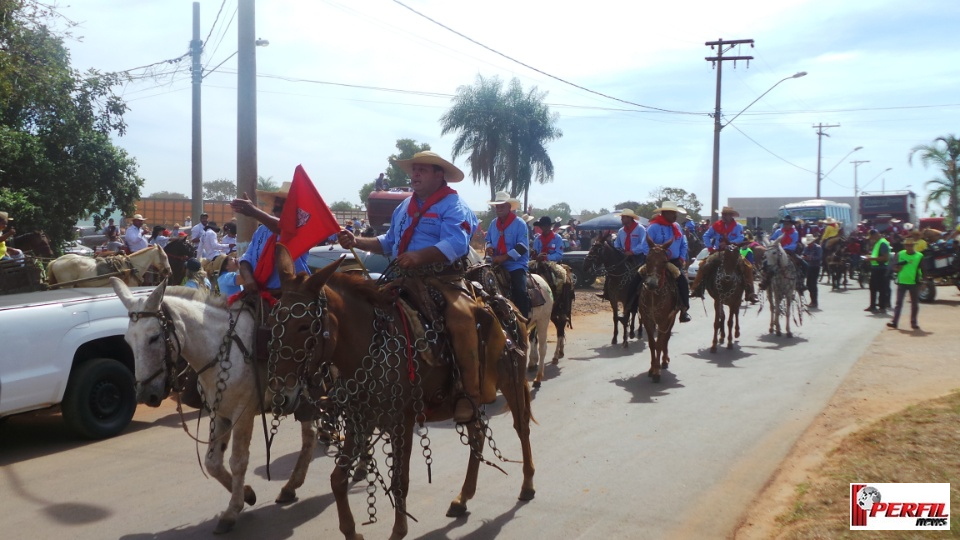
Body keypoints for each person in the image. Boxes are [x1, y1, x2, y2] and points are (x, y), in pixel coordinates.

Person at [337, 151, 482, 424]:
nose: (415, 175)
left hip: (443, 280)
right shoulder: (404, 207)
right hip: (403, 278)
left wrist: (419, 256)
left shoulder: (453, 205)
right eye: (414, 170)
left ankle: (468, 393)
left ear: (439, 175)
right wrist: (356, 241)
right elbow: (389, 241)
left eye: (422, 170)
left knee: (461, 320)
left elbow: (457, 243)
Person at [230, 182, 311, 292]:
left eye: (284, 201)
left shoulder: (300, 227)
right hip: (260, 293)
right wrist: (249, 279)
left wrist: (254, 211)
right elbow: (246, 259)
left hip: (292, 296)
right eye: (277, 200)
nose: (278, 204)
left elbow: (283, 228)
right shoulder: (261, 231)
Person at [691, 206, 758, 303]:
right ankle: (697, 288)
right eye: (723, 214)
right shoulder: (716, 225)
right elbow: (706, 236)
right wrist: (710, 247)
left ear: (731, 216)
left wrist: (729, 242)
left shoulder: (738, 226)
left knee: (748, 266)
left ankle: (750, 292)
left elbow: (740, 237)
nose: (725, 216)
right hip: (718, 252)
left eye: (727, 214)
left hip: (733, 252)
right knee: (703, 264)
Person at [640, 200, 691, 323]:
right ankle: (630, 307)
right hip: (655, 262)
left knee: (683, 282)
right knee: (636, 278)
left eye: (675, 213)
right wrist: (655, 257)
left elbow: (683, 244)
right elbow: (644, 245)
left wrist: (682, 257)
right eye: (673, 213)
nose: (675, 216)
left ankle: (684, 309)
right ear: (665, 213)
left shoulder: (677, 227)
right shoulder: (653, 227)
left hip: (674, 262)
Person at [484, 191, 530, 317]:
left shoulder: (520, 223)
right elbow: (488, 240)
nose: (499, 209)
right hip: (495, 263)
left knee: (520, 291)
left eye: (502, 206)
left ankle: (524, 320)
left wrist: (504, 257)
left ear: (509, 207)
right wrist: (489, 248)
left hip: (515, 265)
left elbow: (522, 247)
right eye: (497, 206)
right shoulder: (493, 223)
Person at [762, 215, 805, 292]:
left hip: (789, 251)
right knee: (765, 262)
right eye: (785, 224)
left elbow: (794, 243)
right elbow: (772, 239)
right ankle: (765, 280)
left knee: (803, 264)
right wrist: (774, 244)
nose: (786, 225)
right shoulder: (778, 231)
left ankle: (800, 282)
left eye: (788, 224)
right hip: (776, 250)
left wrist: (783, 249)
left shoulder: (795, 232)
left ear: (791, 225)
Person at [887, 238, 923, 330]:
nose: (909, 247)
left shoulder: (919, 256)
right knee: (898, 303)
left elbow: (923, 269)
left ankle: (914, 322)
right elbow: (893, 267)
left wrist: (924, 282)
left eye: (911, 245)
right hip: (901, 282)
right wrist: (897, 269)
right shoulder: (899, 254)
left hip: (914, 283)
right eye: (907, 245)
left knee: (914, 304)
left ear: (913, 246)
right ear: (904, 246)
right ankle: (894, 322)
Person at [865, 229, 891, 313]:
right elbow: (878, 255)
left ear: (875, 235)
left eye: (872, 237)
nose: (872, 239)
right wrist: (871, 256)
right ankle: (873, 306)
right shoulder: (878, 243)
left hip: (881, 268)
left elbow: (885, 258)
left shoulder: (882, 243)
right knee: (872, 287)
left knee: (881, 288)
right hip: (875, 267)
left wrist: (871, 258)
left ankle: (882, 307)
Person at [800, 234, 823, 309]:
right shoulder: (807, 247)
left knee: (813, 284)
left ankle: (814, 301)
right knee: (809, 284)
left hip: (815, 267)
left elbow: (818, 257)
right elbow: (803, 254)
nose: (808, 244)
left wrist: (809, 258)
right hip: (808, 267)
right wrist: (804, 257)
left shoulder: (818, 248)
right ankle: (812, 301)